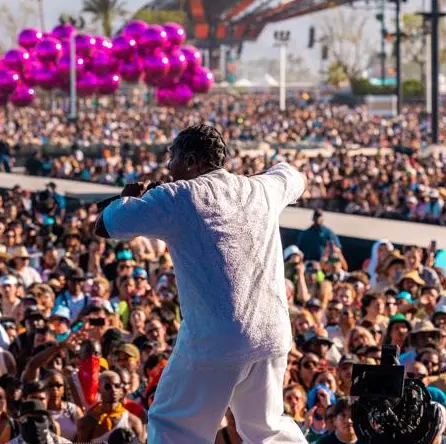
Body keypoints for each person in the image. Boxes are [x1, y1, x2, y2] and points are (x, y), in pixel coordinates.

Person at [95, 124, 307, 443]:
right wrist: (273, 168)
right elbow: (293, 176)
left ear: (192, 161)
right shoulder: (262, 190)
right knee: (265, 427)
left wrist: (129, 198)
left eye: (173, 158)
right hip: (272, 334)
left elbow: (105, 226)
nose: (168, 168)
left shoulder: (178, 197)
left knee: (173, 425)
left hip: (216, 340)